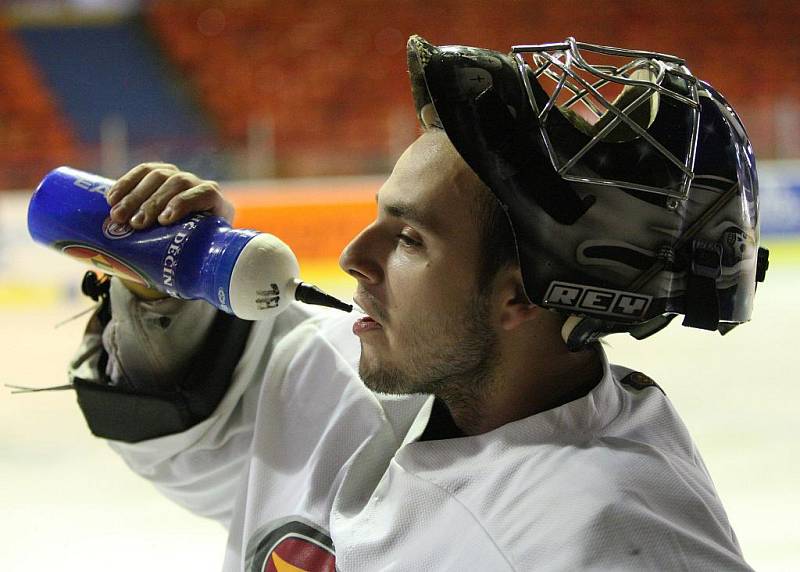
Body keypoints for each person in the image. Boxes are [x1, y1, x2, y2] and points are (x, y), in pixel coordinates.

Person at [69, 36, 767, 570]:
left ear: (519, 294)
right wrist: (158, 296)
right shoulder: (361, 358)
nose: (351, 258)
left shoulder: (610, 542)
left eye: (407, 239)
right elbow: (191, 453)